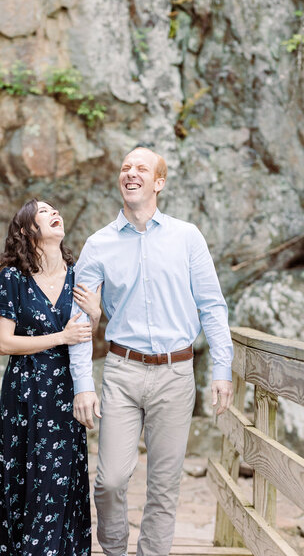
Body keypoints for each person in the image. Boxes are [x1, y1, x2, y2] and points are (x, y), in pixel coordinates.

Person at [68, 147, 234, 556]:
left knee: (164, 485)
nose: (130, 173)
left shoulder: (187, 237)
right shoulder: (98, 245)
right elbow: (78, 322)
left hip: (176, 374)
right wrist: (83, 385)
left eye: (141, 168)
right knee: (109, 481)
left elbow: (212, 305)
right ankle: (114, 550)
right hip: (122, 371)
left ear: (159, 182)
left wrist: (222, 368)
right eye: (125, 167)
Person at [0, 198, 101, 556]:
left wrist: (95, 315)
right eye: (44, 212)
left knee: (58, 481)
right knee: (20, 480)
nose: (55, 214)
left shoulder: (79, 273)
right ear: (26, 230)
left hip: (65, 394)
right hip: (23, 394)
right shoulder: (13, 277)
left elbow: (82, 334)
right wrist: (59, 338)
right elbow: (4, 343)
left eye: (55, 210)